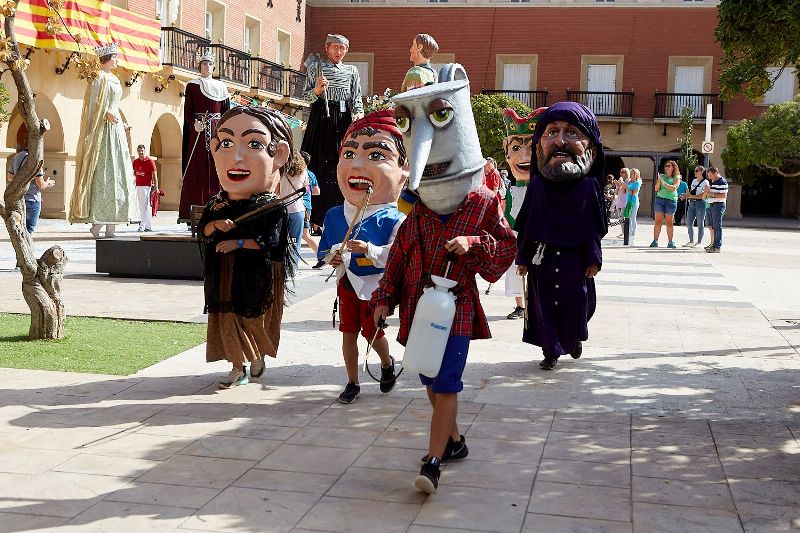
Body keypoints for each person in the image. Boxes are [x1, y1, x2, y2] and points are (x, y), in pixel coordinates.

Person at [371, 75, 516, 494]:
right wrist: (383, 300)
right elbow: (397, 259)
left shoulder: (485, 203)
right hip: (419, 310)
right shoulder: (416, 213)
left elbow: (505, 252)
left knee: (447, 381)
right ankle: (454, 441)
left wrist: (471, 244)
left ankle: (433, 462)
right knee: (429, 380)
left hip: (458, 308)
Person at [198, 106, 294, 389]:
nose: (236, 156)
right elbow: (202, 230)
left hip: (255, 276)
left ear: (278, 155)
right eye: (226, 143)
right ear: (214, 149)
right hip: (222, 274)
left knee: (251, 320)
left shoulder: (272, 207)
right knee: (226, 319)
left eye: (254, 144)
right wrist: (215, 227)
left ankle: (255, 354)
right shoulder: (217, 204)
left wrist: (238, 242)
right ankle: (237, 368)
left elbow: (272, 243)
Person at [318, 110, 406, 404]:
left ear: (403, 169)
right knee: (348, 334)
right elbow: (325, 250)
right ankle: (352, 382)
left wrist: (369, 249)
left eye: (376, 155)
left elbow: (396, 258)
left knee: (373, 335)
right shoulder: (334, 215)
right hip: (347, 286)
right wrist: (332, 256)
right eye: (349, 152)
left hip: (375, 288)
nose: (357, 164)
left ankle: (386, 362)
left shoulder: (395, 218)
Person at [515, 101, 608, 371]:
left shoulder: (589, 187)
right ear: (539, 144)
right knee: (543, 305)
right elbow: (528, 225)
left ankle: (574, 336)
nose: (560, 142)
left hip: (575, 260)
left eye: (572, 133)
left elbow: (592, 227)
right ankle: (551, 350)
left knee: (576, 301)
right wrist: (523, 257)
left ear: (590, 146)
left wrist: (593, 258)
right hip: (542, 259)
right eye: (551, 133)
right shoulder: (537, 186)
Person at [68, 43, 138, 238]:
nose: (116, 59)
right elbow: (93, 104)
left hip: (115, 130)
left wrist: (120, 122)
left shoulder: (115, 79)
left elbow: (115, 104)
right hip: (103, 130)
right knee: (105, 174)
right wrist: (105, 113)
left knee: (118, 173)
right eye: (114, 57)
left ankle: (110, 228)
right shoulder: (98, 78)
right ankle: (98, 223)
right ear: (106, 59)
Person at [301, 34, 364, 230]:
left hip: (343, 119)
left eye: (342, 48)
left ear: (346, 50)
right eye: (335, 47)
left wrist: (359, 114)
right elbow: (306, 97)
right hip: (322, 117)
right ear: (327, 48)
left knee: (343, 161)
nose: (338, 52)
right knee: (319, 163)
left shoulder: (352, 71)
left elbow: (357, 97)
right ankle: (314, 217)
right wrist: (318, 90)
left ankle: (341, 212)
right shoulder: (316, 68)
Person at [501, 106, 546, 320]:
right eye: (516, 147)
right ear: (507, 151)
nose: (524, 156)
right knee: (514, 273)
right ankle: (520, 305)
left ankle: (537, 304)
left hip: (539, 237)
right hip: (516, 238)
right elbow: (507, 214)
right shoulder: (510, 190)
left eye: (531, 148)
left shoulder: (545, 190)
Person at [179, 50, 231, 223]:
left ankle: (220, 209)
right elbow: (188, 111)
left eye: (209, 64)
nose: (206, 66)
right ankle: (193, 210)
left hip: (217, 130)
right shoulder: (193, 85)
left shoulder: (222, 87)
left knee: (218, 166)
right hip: (199, 130)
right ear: (199, 66)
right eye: (203, 64)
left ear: (213, 67)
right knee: (198, 167)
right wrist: (194, 123)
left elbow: (226, 113)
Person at [7, 144, 54, 234]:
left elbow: (10, 177)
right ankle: (26, 248)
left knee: (19, 232)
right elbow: (40, 184)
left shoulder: (18, 156)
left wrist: (22, 178)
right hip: (32, 200)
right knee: (29, 231)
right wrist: (48, 183)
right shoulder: (36, 160)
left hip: (19, 199)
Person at [280, 151, 310, 270]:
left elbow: (276, 192)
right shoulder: (303, 172)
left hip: (283, 209)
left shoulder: (281, 172)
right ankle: (293, 267)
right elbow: (306, 190)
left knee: (282, 239)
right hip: (298, 210)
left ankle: (281, 265)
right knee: (295, 240)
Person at [650, 160, 681, 248]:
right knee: (658, 222)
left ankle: (670, 242)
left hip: (671, 201)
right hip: (660, 200)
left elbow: (673, 188)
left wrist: (663, 182)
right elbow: (656, 189)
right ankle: (655, 241)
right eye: (666, 166)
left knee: (669, 223)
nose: (666, 167)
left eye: (668, 166)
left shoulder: (676, 177)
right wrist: (659, 181)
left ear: (673, 168)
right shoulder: (661, 176)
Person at [133, 144, 158, 232]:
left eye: (142, 151)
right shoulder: (135, 162)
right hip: (137, 186)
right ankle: (148, 226)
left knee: (144, 206)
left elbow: (155, 175)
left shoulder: (150, 161)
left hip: (146, 187)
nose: (140, 152)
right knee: (142, 206)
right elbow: (133, 174)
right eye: (139, 151)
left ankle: (142, 225)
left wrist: (156, 187)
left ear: (144, 151)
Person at [299, 151, 321, 253]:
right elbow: (317, 192)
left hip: (296, 206)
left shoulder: (294, 173)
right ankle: (321, 257)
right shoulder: (311, 174)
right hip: (307, 206)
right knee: (306, 235)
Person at [684, 165, 709, 247]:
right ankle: (691, 240)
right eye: (694, 171)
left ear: (701, 172)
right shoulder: (694, 181)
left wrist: (691, 196)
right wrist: (686, 195)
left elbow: (703, 195)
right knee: (688, 222)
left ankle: (699, 242)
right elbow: (691, 192)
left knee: (700, 223)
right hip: (692, 203)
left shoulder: (706, 182)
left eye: (696, 171)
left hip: (700, 203)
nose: (694, 172)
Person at [705, 166, 728, 253]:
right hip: (712, 205)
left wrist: (710, 193)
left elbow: (723, 195)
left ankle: (717, 247)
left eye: (710, 175)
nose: (709, 177)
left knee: (717, 226)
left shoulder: (722, 181)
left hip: (718, 205)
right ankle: (713, 245)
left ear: (715, 173)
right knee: (713, 226)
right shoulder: (713, 181)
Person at [626, 168, 642, 245]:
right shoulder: (629, 182)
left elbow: (633, 193)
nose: (631, 175)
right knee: (628, 218)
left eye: (633, 173)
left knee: (632, 218)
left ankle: (633, 234)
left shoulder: (637, 183)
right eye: (631, 173)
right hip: (628, 202)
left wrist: (626, 187)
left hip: (634, 202)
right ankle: (628, 234)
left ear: (636, 175)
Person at [613, 168, 629, 234]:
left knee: (623, 217)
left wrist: (621, 184)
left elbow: (627, 191)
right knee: (620, 218)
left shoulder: (628, 181)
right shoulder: (620, 180)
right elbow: (616, 192)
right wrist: (617, 185)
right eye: (621, 172)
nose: (621, 174)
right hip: (619, 202)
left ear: (626, 173)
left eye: (623, 172)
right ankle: (623, 232)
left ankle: (626, 232)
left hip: (625, 202)